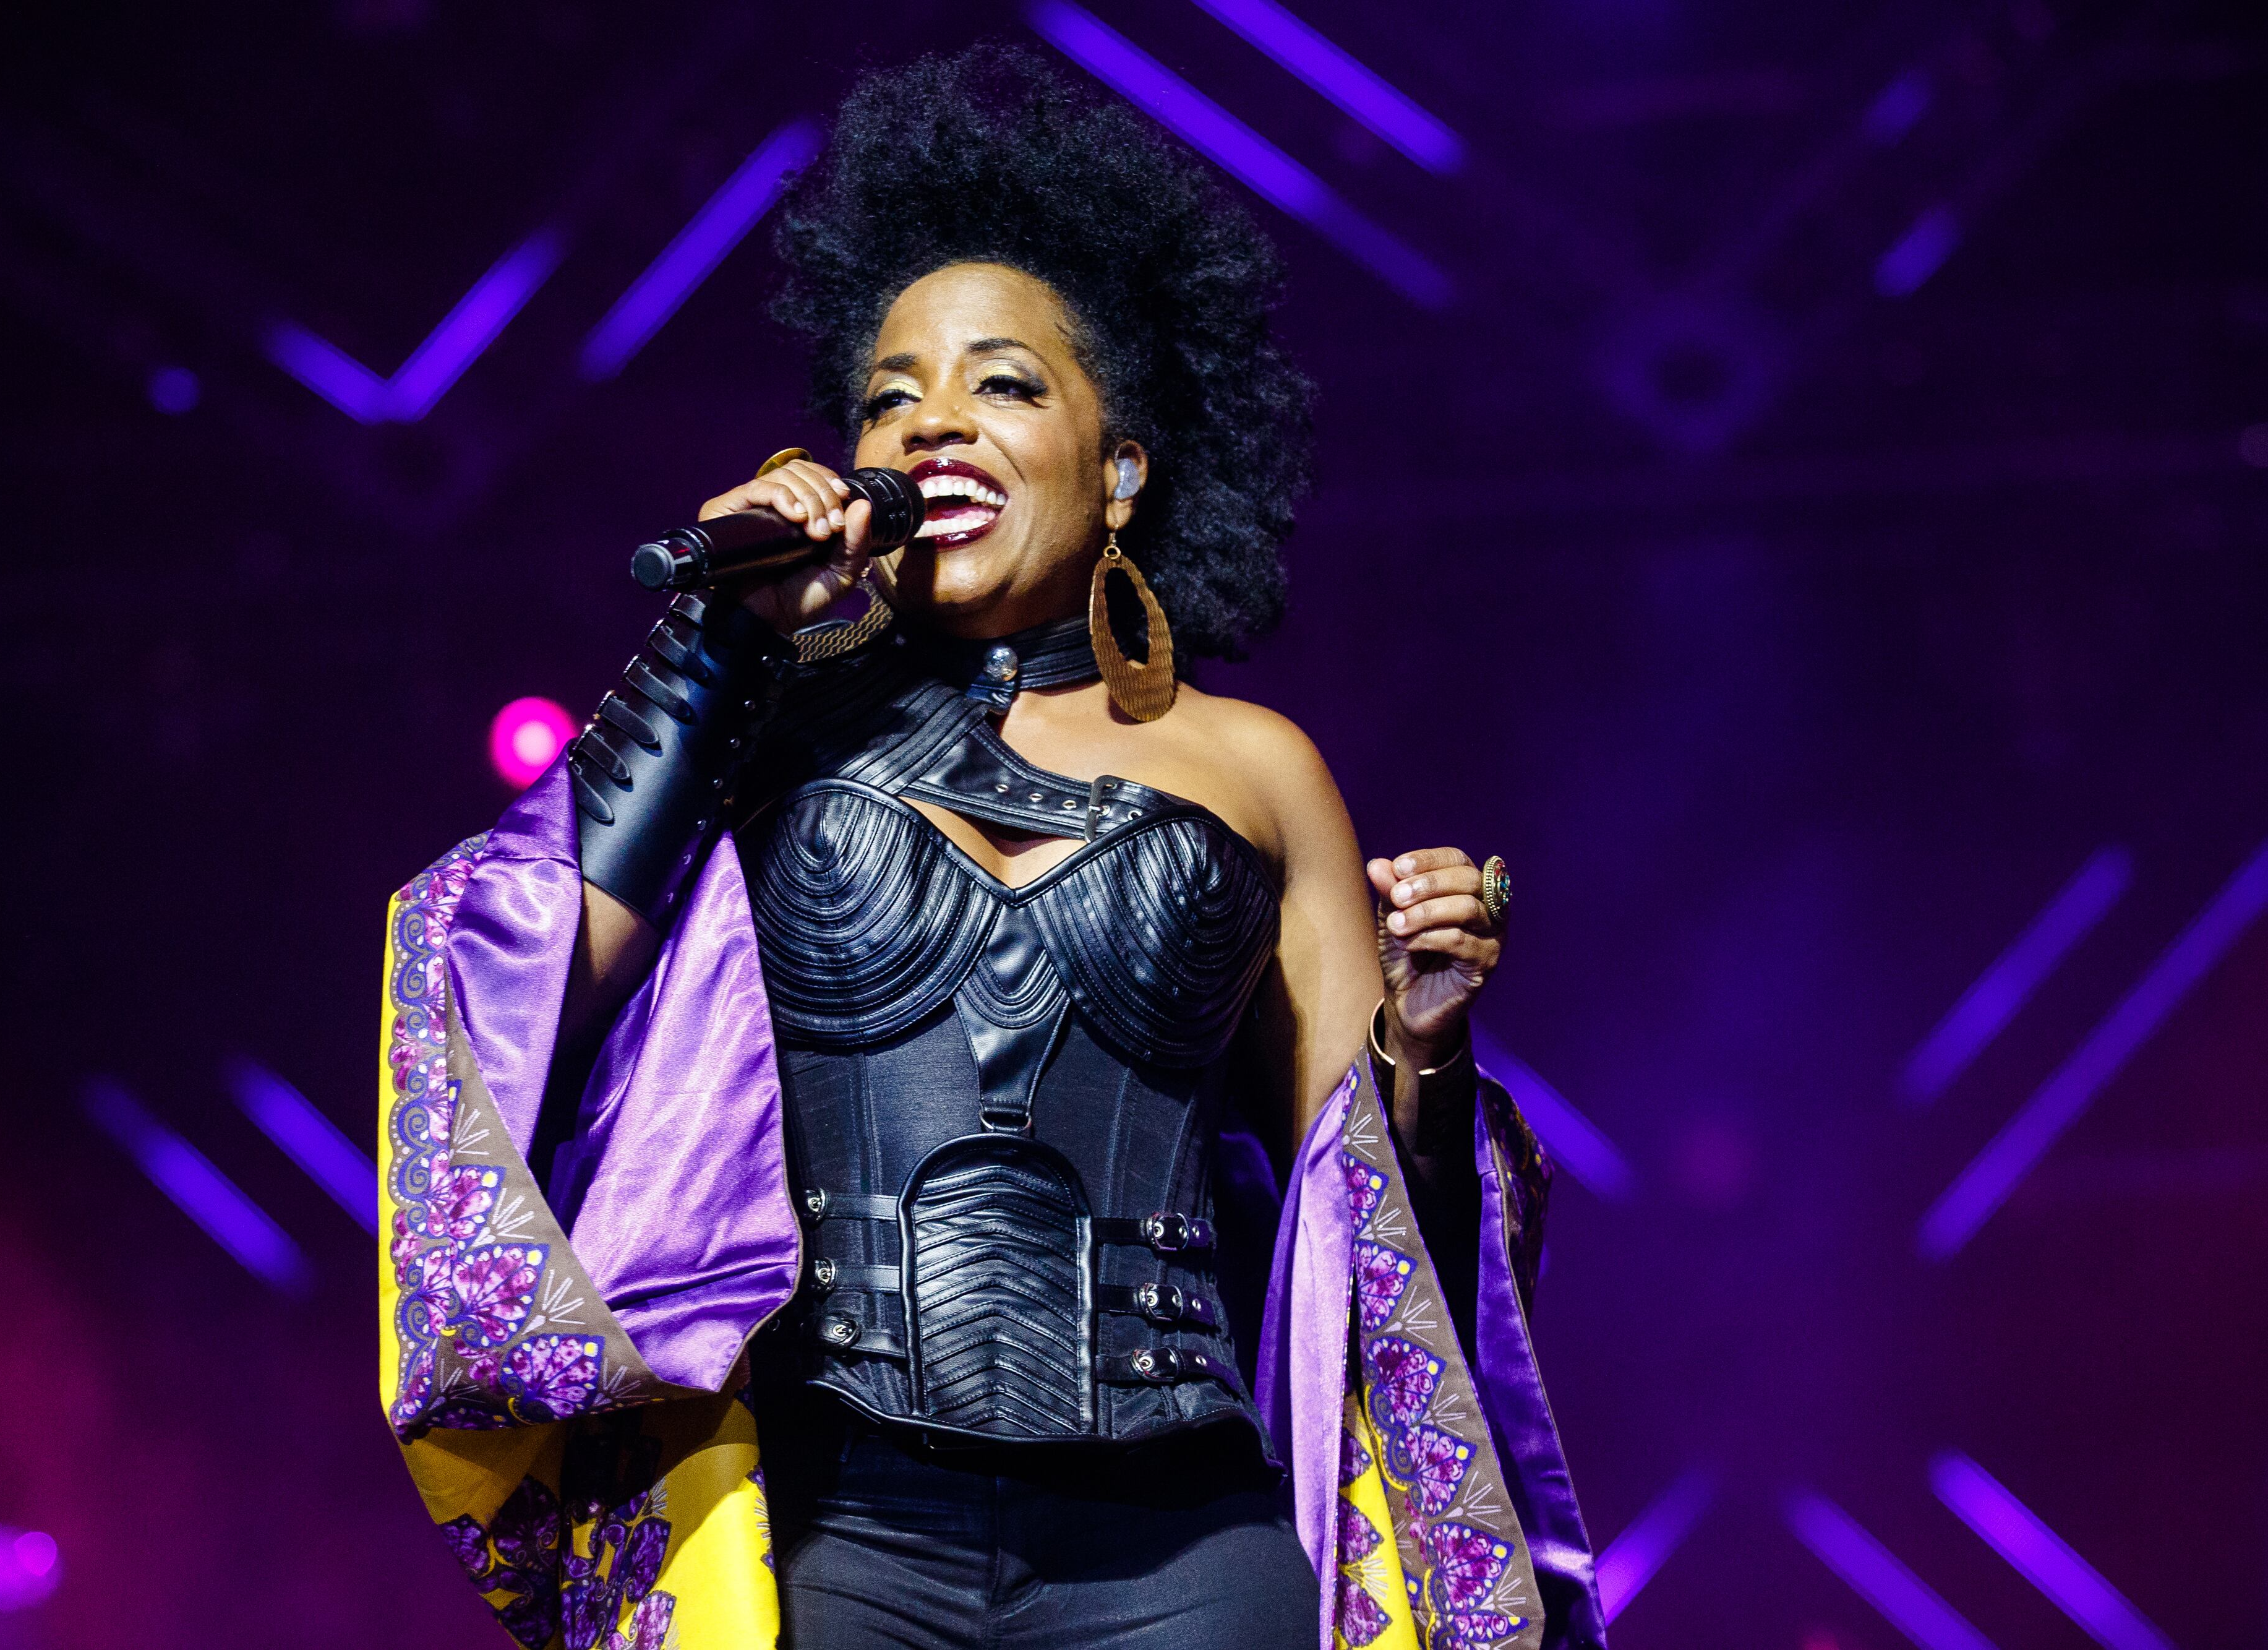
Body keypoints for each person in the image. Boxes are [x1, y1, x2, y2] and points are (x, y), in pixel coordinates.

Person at [375, 46, 1605, 1650]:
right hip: (835, 1529)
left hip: (1180, 1548)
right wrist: (722, 637)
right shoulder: (768, 733)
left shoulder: (1258, 769)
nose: (935, 421)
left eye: (1004, 382)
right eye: (894, 392)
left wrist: (1429, 1057)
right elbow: (526, 978)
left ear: (1122, 470)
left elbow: (1389, 1279)